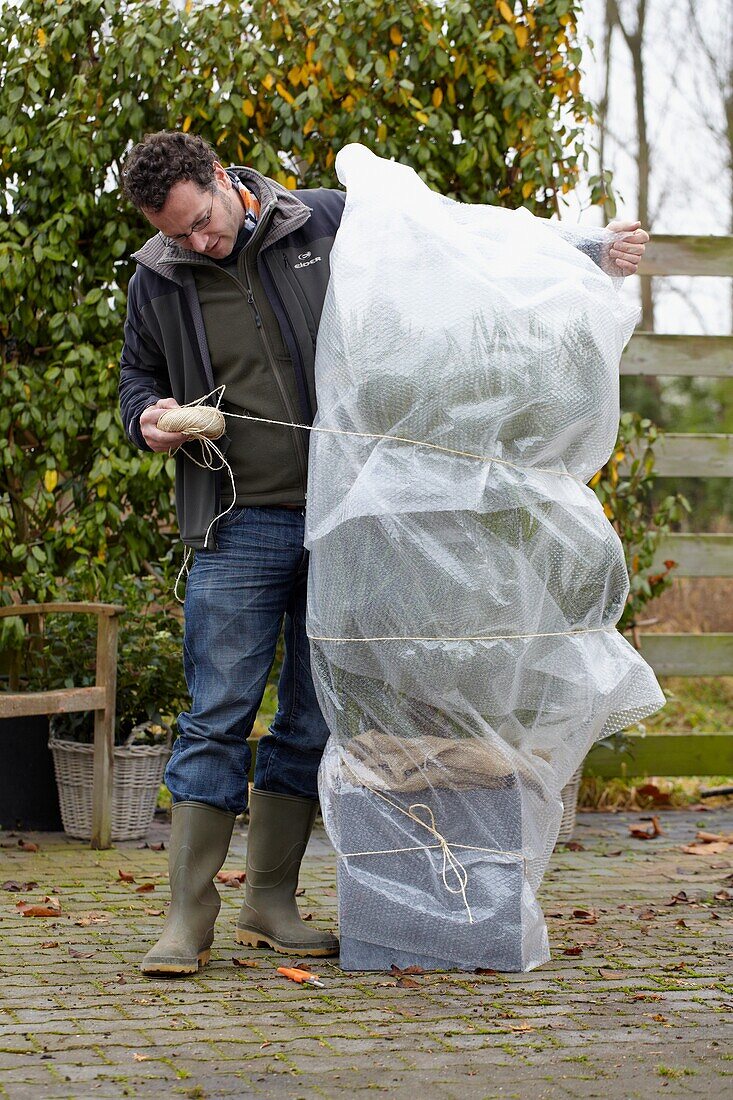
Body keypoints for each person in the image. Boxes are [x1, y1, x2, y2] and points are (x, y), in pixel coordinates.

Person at [119, 130, 648, 977]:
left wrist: (582, 245)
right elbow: (137, 380)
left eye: (203, 224)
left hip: (342, 520)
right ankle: (187, 921)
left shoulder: (320, 223)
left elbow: (447, 234)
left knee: (307, 716)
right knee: (216, 711)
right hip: (236, 522)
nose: (196, 245)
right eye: (177, 235)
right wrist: (147, 415)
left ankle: (270, 903)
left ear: (223, 179)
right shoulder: (159, 278)